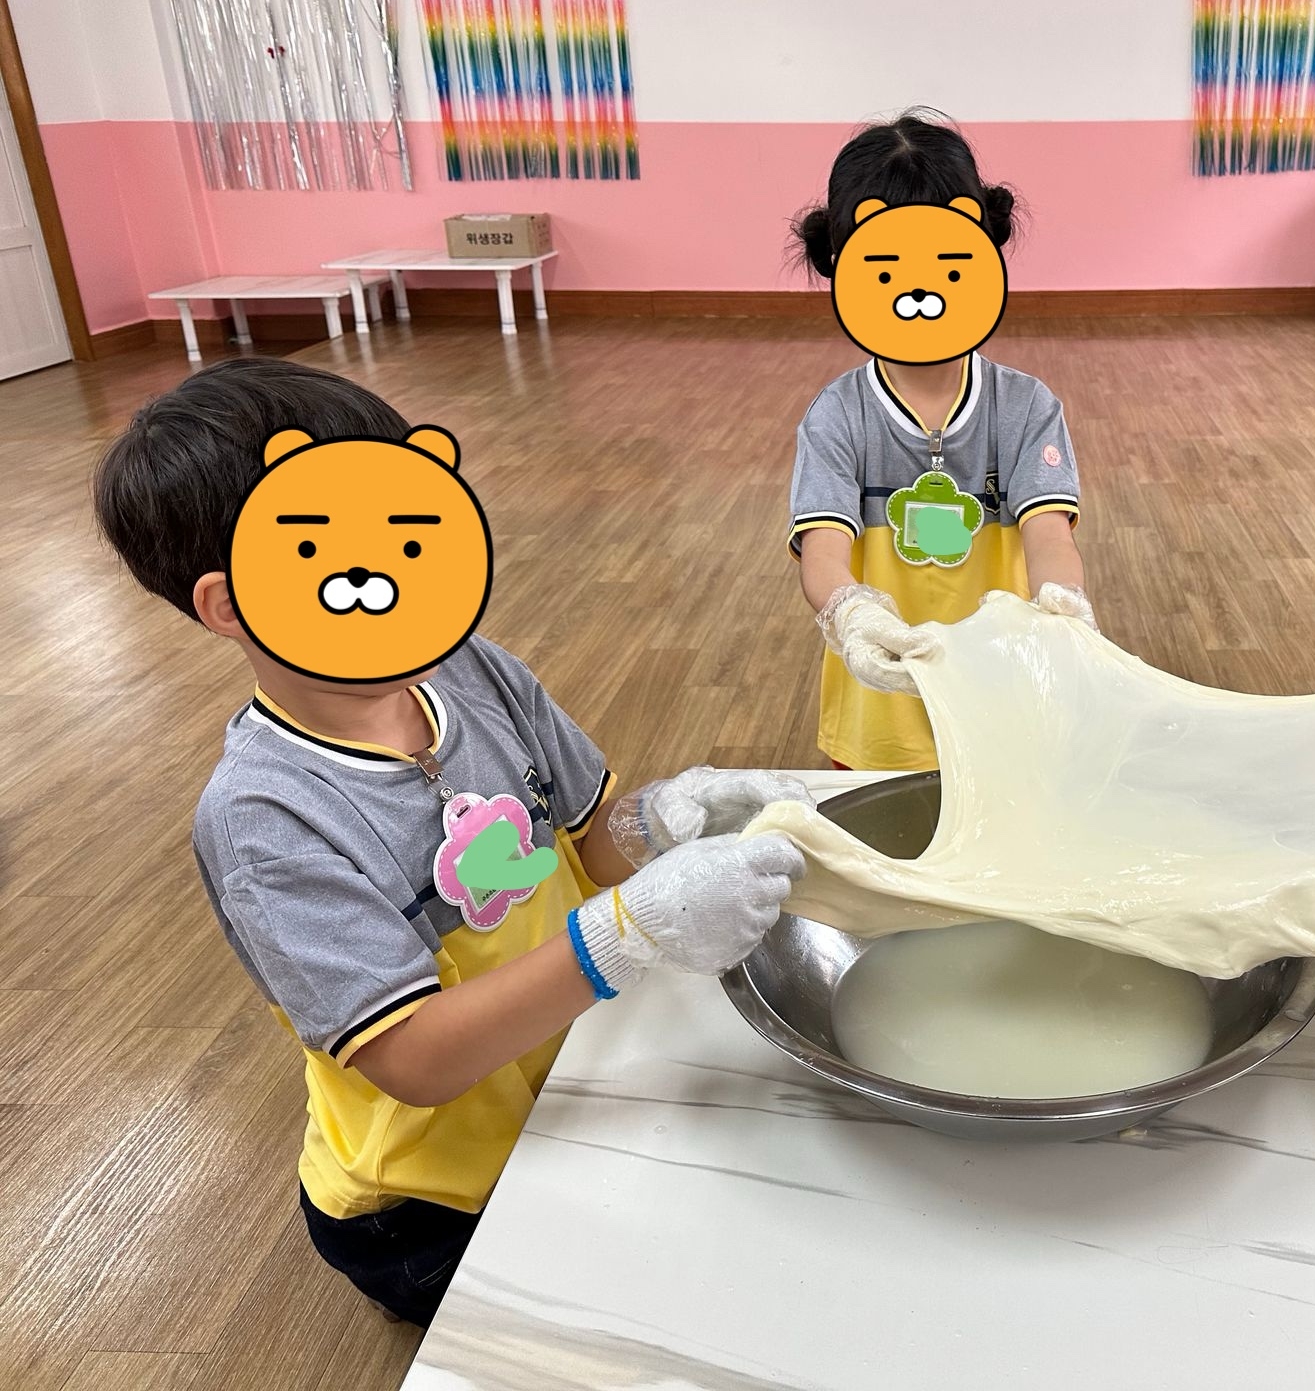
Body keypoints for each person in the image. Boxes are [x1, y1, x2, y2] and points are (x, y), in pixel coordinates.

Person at [92, 358, 807, 1326]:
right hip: (430, 1205)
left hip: (571, 1074)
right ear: (228, 602)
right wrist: (629, 933)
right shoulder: (266, 818)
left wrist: (670, 816)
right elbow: (415, 1059)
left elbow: (592, 845)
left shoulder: (475, 672)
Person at [787, 109, 1092, 771]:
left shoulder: (1026, 407)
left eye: (948, 265)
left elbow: (1049, 536)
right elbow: (823, 550)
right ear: (844, 265)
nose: (919, 292)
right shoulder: (836, 415)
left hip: (1002, 697)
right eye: (888, 268)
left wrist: (1063, 607)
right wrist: (852, 613)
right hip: (882, 712)